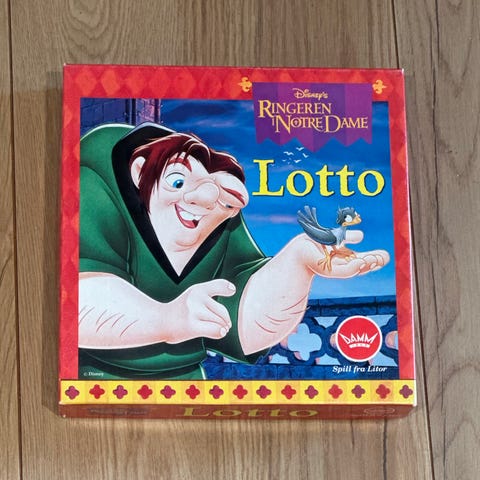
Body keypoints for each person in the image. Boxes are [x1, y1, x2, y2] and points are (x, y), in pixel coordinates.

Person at [78, 122, 389, 379]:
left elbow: (245, 322)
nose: (203, 201)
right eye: (177, 182)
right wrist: (166, 319)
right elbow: (79, 300)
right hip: (93, 377)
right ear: (140, 171)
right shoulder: (99, 174)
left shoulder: (220, 216)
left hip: (186, 384)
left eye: (222, 200)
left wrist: (299, 260)